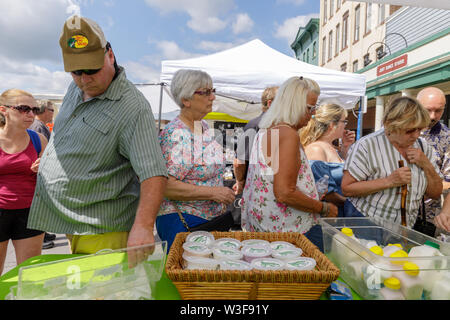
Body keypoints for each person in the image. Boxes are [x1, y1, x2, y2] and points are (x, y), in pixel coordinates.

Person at [27, 16, 168, 265]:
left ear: (110, 55)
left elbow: (153, 173)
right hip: (71, 222)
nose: (84, 79)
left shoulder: (132, 107)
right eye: (76, 71)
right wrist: (51, 159)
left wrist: (144, 226)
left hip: (103, 229)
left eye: (91, 70)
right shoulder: (75, 88)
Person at [241, 76, 338, 252]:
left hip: (268, 230)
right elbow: (284, 192)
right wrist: (323, 208)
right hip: (289, 234)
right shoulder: (287, 134)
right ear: (294, 105)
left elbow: (271, 180)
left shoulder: (267, 129)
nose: (313, 114)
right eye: (310, 108)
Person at [156, 69, 235, 250]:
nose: (212, 97)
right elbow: (166, 185)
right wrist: (213, 193)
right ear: (186, 100)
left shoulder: (202, 126)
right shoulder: (178, 134)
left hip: (207, 221)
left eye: (212, 91)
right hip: (183, 222)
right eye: (205, 92)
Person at [341, 96, 443, 228]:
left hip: (405, 228)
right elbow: (347, 188)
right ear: (390, 125)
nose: (416, 135)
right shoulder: (367, 145)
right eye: (410, 130)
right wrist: (389, 181)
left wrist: (427, 165)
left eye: (420, 129)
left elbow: (435, 193)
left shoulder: (423, 147)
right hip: (367, 222)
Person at [0, 89, 48, 275]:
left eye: (34, 110)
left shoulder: (38, 139)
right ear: (3, 109)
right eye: (23, 108)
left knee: (29, 275)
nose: (30, 114)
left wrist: (45, 166)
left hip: (30, 213)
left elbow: (53, 176)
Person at [300, 103, 355, 216]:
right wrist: (352, 205)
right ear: (332, 125)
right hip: (328, 215)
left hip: (337, 213)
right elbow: (326, 192)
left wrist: (345, 147)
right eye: (344, 121)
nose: (345, 125)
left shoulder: (330, 148)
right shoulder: (316, 149)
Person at [233, 86, 278, 195]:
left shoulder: (280, 126)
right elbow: (239, 162)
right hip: (257, 191)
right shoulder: (255, 126)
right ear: (270, 103)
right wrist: (240, 182)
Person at [416, 87, 450, 228]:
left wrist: (445, 212)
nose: (432, 116)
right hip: (393, 214)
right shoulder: (398, 129)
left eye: (438, 110)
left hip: (427, 217)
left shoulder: (447, 138)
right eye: (428, 109)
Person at [28, 99, 56, 248]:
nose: (53, 113)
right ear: (45, 110)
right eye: (52, 110)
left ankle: (43, 234)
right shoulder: (38, 127)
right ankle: (42, 236)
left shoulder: (40, 126)